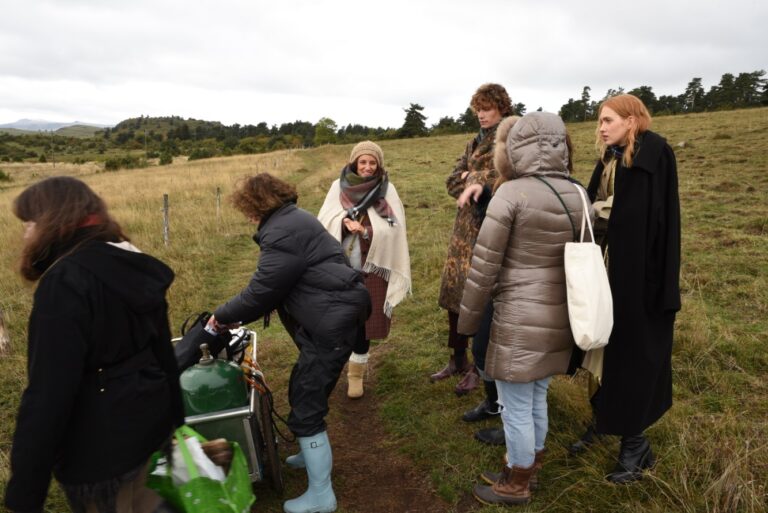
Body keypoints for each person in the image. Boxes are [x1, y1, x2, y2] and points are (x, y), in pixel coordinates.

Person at [5, 176, 183, 513]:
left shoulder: (64, 282)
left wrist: (25, 493)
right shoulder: (131, 261)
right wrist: (177, 423)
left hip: (99, 454)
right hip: (151, 429)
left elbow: (48, 395)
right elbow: (164, 356)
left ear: (51, 222)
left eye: (28, 223)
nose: (24, 234)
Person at [207, 173, 370, 513]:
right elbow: (277, 285)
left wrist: (220, 316)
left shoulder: (281, 231)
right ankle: (309, 455)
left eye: (247, 209)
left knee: (307, 405)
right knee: (302, 384)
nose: (247, 215)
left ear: (256, 205)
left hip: (331, 322)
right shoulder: (292, 220)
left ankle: (321, 496)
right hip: (334, 315)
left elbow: (263, 289)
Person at [458, 112, 586, 506]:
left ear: (516, 146)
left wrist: (467, 321)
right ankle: (527, 464)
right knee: (536, 397)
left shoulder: (512, 192)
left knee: (515, 404)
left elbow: (484, 266)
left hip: (518, 315)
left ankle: (516, 484)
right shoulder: (578, 193)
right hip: (562, 313)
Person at [573, 94, 681, 484]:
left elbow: (654, 223)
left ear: (632, 120)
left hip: (640, 279)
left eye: (608, 120)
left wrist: (604, 213)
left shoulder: (655, 155)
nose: (601, 128)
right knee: (600, 347)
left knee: (633, 357)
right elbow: (591, 202)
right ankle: (603, 420)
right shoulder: (610, 157)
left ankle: (636, 446)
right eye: (600, 121)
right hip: (607, 269)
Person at [435, 83, 514, 405]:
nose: (482, 114)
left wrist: (476, 178)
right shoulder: (473, 141)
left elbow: (506, 178)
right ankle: (458, 358)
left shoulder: (510, 136)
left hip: (491, 229)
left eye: (488, 108)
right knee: (455, 295)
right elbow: (452, 180)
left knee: (481, 299)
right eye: (478, 108)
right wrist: (470, 178)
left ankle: (480, 367)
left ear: (502, 108)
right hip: (464, 231)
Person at [317, 141, 411, 399]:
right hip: (340, 269)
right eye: (363, 162)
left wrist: (367, 231)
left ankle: (355, 374)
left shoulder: (386, 189)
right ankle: (334, 367)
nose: (368, 167)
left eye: (372, 162)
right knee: (340, 320)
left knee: (365, 322)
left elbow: (395, 228)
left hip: (373, 268)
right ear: (354, 163)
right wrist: (344, 225)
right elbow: (324, 222)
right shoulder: (338, 187)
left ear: (378, 164)